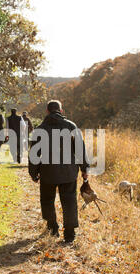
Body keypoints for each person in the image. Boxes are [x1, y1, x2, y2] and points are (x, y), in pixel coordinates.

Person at [28, 100, 90, 243]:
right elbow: (80, 149)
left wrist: (33, 172)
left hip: (48, 172)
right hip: (68, 172)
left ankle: (52, 229)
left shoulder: (40, 129)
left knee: (47, 200)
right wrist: (84, 168)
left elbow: (34, 154)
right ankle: (69, 234)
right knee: (69, 201)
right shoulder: (71, 126)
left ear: (47, 111)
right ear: (61, 111)